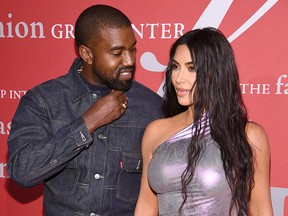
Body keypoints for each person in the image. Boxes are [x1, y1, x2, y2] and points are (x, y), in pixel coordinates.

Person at [7, 4, 163, 216]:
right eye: (117, 53)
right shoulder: (43, 101)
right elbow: (22, 172)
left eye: (132, 49)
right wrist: (87, 124)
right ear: (87, 54)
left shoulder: (152, 107)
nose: (130, 61)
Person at [135, 27, 273, 216]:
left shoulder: (248, 135)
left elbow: (260, 208)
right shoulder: (156, 131)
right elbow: (146, 205)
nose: (178, 78)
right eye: (175, 66)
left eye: (191, 68)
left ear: (215, 73)